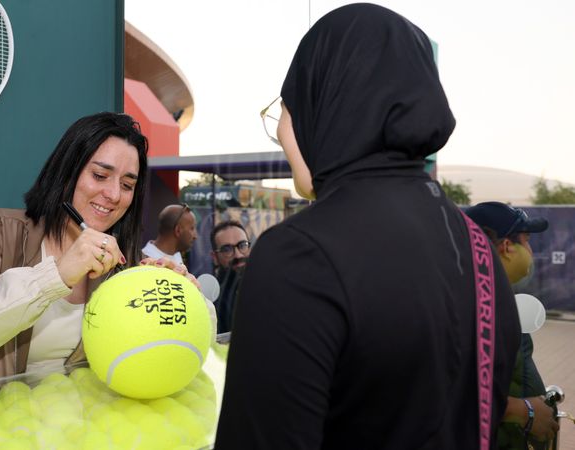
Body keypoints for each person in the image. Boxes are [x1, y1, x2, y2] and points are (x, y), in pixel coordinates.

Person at [215, 4, 521, 449]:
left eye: (287, 106)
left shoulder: (299, 254)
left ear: (326, 103)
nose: (281, 132)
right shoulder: (479, 248)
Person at [0, 112, 216, 386]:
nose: (112, 194)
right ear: (66, 172)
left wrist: (186, 298)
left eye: (127, 184)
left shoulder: (126, 268)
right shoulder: (2, 230)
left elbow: (181, 347)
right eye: (99, 175)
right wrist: (54, 277)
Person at [465, 202, 560, 447]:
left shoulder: (493, 298)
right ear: (507, 247)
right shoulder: (469, 306)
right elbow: (450, 388)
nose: (530, 250)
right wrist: (523, 410)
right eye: (527, 240)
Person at [210, 220, 250, 333]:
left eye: (242, 245)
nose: (238, 254)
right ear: (215, 257)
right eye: (227, 249)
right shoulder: (211, 303)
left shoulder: (269, 285)